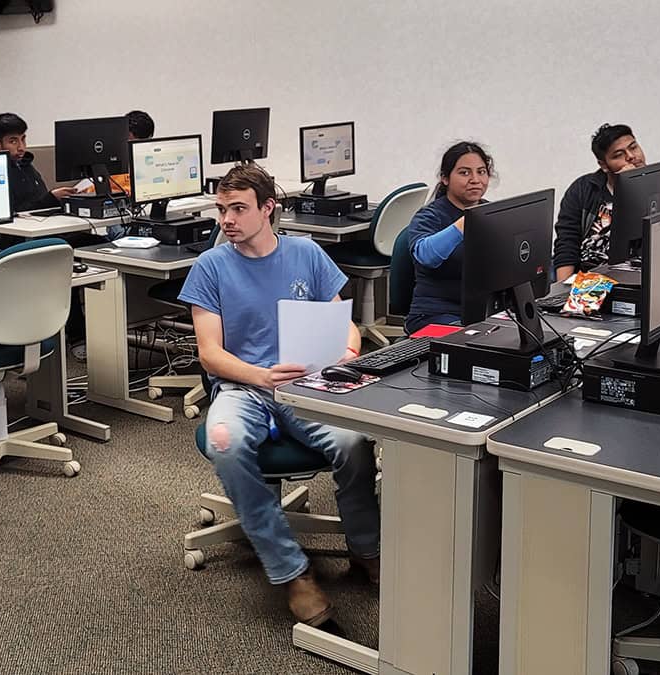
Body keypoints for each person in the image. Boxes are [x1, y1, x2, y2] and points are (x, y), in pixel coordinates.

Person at [178, 163, 380, 627]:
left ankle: (366, 548)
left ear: (268, 209)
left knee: (352, 443)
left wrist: (349, 346)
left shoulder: (305, 254)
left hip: (306, 381)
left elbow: (340, 320)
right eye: (222, 209)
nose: (226, 219)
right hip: (244, 385)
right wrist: (260, 376)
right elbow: (209, 354)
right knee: (224, 442)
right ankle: (292, 572)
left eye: (238, 209)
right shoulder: (211, 266)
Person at [552, 123, 660, 281]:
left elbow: (657, 250)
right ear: (603, 165)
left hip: (632, 279)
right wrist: (562, 290)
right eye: (619, 154)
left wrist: (633, 191)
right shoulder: (582, 190)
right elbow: (567, 242)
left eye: (633, 147)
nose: (631, 156)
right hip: (586, 279)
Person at [404, 141, 494, 333]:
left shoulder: (491, 211)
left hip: (481, 314)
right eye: (464, 173)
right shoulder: (429, 216)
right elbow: (426, 256)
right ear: (445, 178)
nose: (475, 179)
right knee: (478, 345)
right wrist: (464, 223)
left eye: (481, 172)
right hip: (433, 316)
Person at [0, 112, 75, 212]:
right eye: (13, 141)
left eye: (23, 139)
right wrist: (52, 198)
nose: (21, 147)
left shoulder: (25, 164)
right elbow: (16, 212)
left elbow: (39, 201)